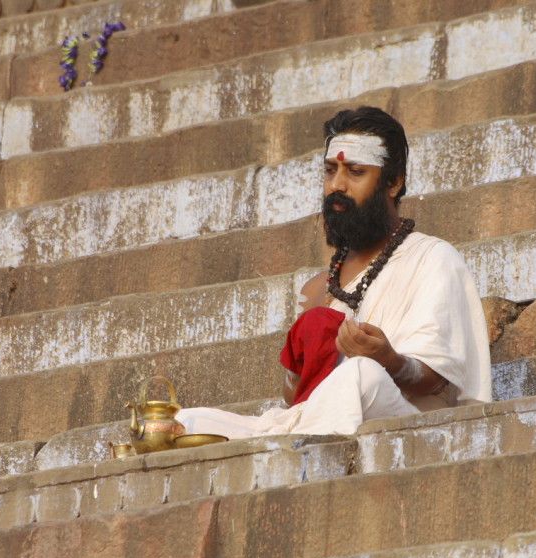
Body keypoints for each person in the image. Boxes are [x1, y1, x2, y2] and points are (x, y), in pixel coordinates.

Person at [175, 106, 491, 438]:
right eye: (330, 170)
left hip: (405, 422)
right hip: (310, 422)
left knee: (361, 374)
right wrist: (296, 369)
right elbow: (297, 399)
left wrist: (389, 360)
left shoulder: (434, 259)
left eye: (355, 171)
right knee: (185, 423)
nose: (336, 185)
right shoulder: (317, 288)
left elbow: (439, 376)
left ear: (393, 182)